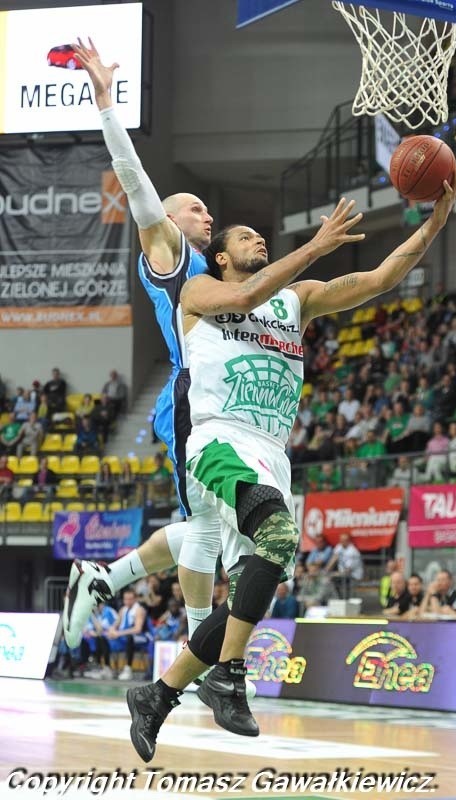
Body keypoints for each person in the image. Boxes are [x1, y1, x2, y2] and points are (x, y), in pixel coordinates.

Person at [125, 163, 456, 761]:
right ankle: (228, 675)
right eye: (244, 237)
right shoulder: (201, 294)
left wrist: (436, 220)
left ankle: (159, 694)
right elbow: (245, 295)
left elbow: (383, 277)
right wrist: (315, 245)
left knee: (270, 566)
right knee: (277, 535)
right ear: (222, 258)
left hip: (271, 453)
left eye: (262, 235)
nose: (258, 238)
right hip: (217, 441)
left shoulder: (296, 301)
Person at [62, 38, 363, 656]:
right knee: (206, 528)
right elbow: (135, 182)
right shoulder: (168, 251)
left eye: (205, 209)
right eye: (193, 207)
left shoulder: (207, 263)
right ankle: (197, 646)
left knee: (208, 526)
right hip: (192, 397)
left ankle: (116, 585)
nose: (205, 213)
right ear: (168, 221)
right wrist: (104, 102)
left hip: (210, 392)